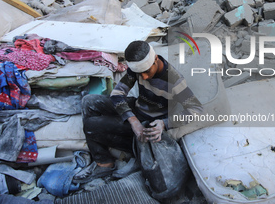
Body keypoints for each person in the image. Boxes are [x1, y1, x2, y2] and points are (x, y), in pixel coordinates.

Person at [73, 41, 202, 183]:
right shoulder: (137, 69)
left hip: (149, 123)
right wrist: (132, 120)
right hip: (137, 109)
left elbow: (196, 109)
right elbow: (117, 94)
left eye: (147, 71)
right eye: (140, 73)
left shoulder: (174, 81)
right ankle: (102, 154)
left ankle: (108, 161)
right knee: (88, 101)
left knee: (90, 125)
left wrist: (164, 124)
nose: (144, 77)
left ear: (156, 60)